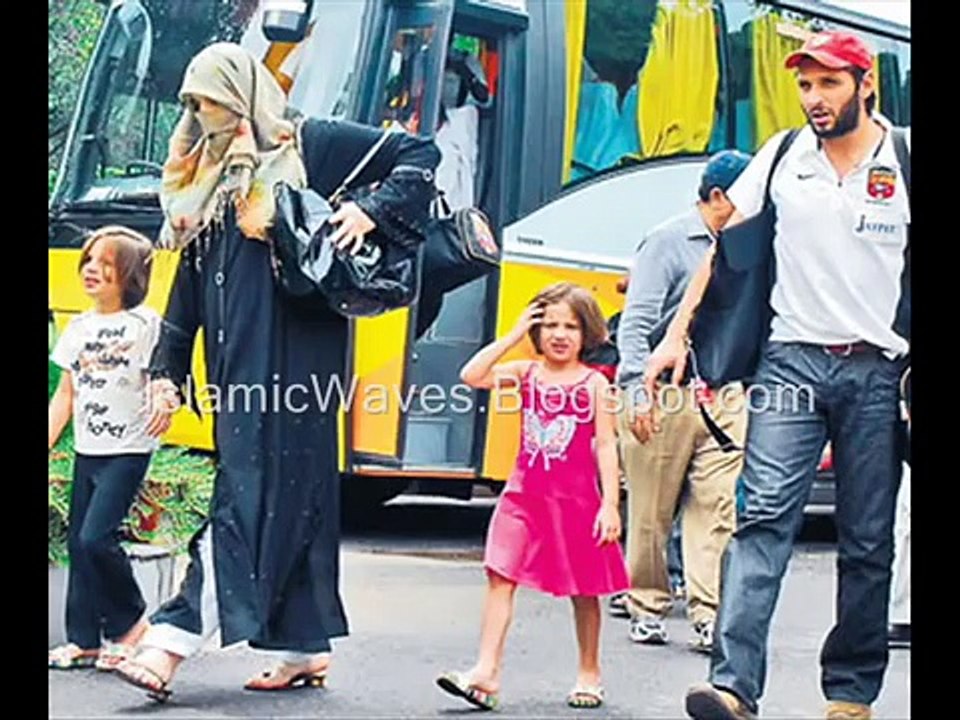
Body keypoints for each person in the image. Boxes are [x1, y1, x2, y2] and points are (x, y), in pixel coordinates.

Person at [111, 42, 439, 701]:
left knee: (247, 500)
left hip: (297, 368)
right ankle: (302, 647)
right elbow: (188, 290)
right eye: (194, 104)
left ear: (244, 98)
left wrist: (364, 210)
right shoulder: (202, 182)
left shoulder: (307, 145)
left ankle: (170, 640)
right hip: (236, 376)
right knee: (294, 502)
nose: (202, 116)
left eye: (213, 102)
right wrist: (165, 371)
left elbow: (419, 154)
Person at [644, 31, 910, 720]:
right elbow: (723, 247)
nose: (814, 99)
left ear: (864, 84)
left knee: (867, 537)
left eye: (829, 84)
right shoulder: (784, 156)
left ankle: (850, 690)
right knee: (760, 519)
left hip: (879, 369)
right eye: (805, 85)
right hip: (790, 361)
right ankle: (734, 685)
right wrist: (677, 334)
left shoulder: (904, 157)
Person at [436, 282, 629, 711]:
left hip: (577, 501)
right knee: (499, 574)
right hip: (523, 496)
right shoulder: (526, 373)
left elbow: (605, 445)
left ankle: (589, 671)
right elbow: (472, 375)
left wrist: (610, 504)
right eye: (551, 325)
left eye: (571, 327)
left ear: (588, 333)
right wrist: (513, 334)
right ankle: (486, 671)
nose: (560, 335)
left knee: (585, 589)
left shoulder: (595, 384)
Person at [614, 151, 752, 653]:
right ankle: (647, 603)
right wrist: (635, 391)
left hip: (725, 394)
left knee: (717, 507)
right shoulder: (668, 242)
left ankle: (707, 612)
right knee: (652, 510)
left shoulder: (750, 245)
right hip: (664, 391)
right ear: (717, 197)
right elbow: (636, 321)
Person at [48, 226, 162, 672]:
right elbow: (66, 395)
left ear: (129, 275)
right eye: (89, 260)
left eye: (106, 263)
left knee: (98, 538)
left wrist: (162, 398)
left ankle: (131, 623)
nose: (92, 269)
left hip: (129, 448)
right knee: (79, 542)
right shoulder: (77, 327)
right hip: (89, 448)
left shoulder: (146, 325)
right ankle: (84, 639)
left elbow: (160, 375)